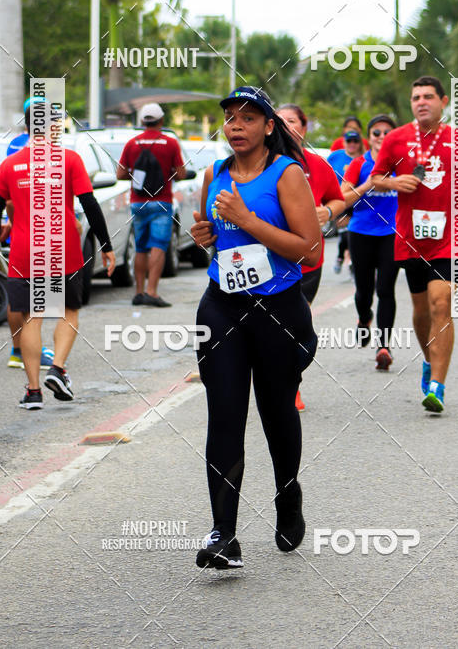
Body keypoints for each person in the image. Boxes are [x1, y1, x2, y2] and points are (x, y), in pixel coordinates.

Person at [191, 87, 321, 569]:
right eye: (230, 118)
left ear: (269, 127)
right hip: (221, 305)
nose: (236, 126)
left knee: (276, 411)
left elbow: (309, 247)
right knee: (224, 414)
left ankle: (287, 493)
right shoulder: (214, 174)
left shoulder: (287, 174)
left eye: (248, 118)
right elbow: (216, 237)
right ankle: (223, 533)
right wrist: (205, 235)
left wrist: (246, 218)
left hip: (277, 309)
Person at [0, 101, 116, 410]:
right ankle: (57, 368)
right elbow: (90, 204)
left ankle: (33, 392)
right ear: (53, 127)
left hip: (24, 251)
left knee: (32, 317)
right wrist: (106, 246)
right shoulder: (69, 159)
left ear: (28, 126)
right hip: (63, 248)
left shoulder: (10, 165)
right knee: (68, 311)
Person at [371, 76, 458, 413]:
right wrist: (394, 183)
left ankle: (437, 385)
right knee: (422, 312)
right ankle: (428, 360)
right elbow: (376, 178)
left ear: (443, 101)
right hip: (410, 239)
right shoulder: (396, 139)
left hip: (447, 239)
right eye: (416, 98)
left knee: (442, 303)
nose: (421, 102)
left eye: (428, 96)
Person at [277, 103, 345, 410]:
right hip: (268, 261)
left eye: (291, 121)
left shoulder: (317, 164)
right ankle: (277, 380)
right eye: (279, 121)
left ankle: (291, 383)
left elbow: (338, 199)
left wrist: (327, 212)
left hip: (307, 262)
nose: (285, 126)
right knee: (273, 326)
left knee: (297, 326)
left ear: (304, 129)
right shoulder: (259, 162)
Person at [341, 115, 399, 371]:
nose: (382, 137)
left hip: (392, 234)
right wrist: (369, 184)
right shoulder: (359, 164)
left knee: (385, 289)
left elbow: (418, 185)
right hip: (361, 233)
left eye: (387, 132)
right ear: (369, 137)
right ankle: (364, 318)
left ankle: (383, 346)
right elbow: (343, 197)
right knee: (364, 291)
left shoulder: (402, 163)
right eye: (376, 132)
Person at [117, 103, 186, 307]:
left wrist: (137, 175)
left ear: (142, 121)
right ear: (161, 120)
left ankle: (139, 292)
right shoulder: (170, 143)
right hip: (162, 202)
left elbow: (120, 174)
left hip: (138, 203)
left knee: (140, 247)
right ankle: (152, 292)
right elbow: (181, 173)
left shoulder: (132, 143)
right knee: (158, 246)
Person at [5, 99, 55, 370]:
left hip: (18, 227)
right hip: (38, 230)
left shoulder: (14, 146)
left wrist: (14, 223)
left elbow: (7, 197)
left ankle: (17, 350)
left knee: (17, 293)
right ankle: (31, 350)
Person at [328, 131, 363, 274]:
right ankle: (341, 257)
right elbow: (325, 173)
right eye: (349, 141)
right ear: (344, 142)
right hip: (339, 200)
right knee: (344, 234)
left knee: (353, 233)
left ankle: (349, 260)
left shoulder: (362, 159)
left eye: (355, 141)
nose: (352, 144)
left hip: (357, 200)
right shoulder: (335, 156)